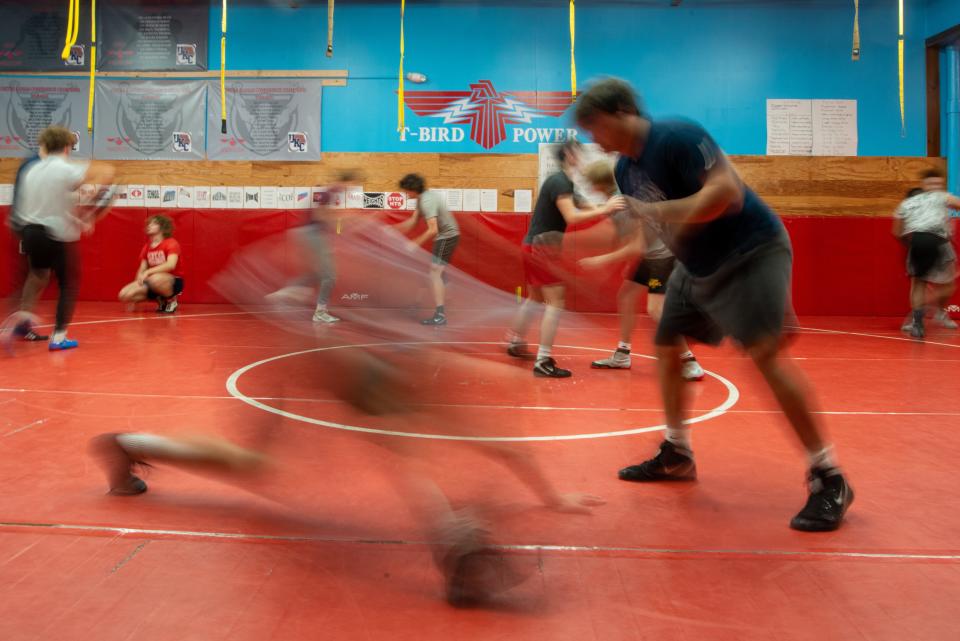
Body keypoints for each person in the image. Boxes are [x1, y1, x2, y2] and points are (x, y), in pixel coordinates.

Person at [575, 78, 852, 531]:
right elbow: (656, 231)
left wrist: (655, 216)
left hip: (752, 250)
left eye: (594, 124)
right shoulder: (626, 171)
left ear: (623, 110)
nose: (592, 137)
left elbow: (725, 196)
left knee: (764, 354)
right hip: (698, 263)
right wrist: (604, 253)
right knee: (666, 343)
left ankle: (829, 475)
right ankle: (676, 452)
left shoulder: (677, 136)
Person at [506, 142, 623, 378]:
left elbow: (588, 206)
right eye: (579, 153)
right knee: (555, 302)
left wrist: (609, 208)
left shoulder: (562, 182)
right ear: (569, 154)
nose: (582, 158)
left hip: (534, 245)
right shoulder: (560, 181)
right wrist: (605, 209)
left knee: (535, 297)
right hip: (541, 248)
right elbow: (572, 216)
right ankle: (543, 360)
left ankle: (515, 340)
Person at [578, 160, 704, 380]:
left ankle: (689, 360)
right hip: (650, 256)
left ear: (598, 185)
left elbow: (636, 245)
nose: (589, 188)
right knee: (626, 296)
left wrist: (601, 260)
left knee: (656, 310)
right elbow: (635, 240)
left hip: (661, 259)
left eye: (590, 183)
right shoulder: (615, 203)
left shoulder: (623, 206)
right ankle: (622, 354)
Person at [14, 126, 114, 350]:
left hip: (31, 232)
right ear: (68, 146)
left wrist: (78, 213)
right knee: (69, 284)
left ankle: (23, 316)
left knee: (38, 275)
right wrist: (90, 208)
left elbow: (47, 203)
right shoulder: (64, 168)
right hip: (56, 234)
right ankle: (59, 336)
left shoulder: (32, 170)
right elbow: (106, 172)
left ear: (45, 146)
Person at [266, 171, 360, 323]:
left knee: (317, 274)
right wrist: (341, 218)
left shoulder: (328, 192)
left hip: (307, 233)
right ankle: (320, 312)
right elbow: (319, 216)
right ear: (347, 182)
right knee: (329, 275)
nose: (351, 188)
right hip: (312, 233)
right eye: (352, 185)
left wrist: (340, 219)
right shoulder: (331, 191)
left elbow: (320, 215)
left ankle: (285, 293)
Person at [893, 169, 960, 338]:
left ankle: (925, 316)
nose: (935, 187)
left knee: (935, 284)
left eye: (938, 184)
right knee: (921, 284)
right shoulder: (940, 196)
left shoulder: (906, 203)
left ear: (942, 185)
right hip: (932, 241)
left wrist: (909, 244)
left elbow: (896, 232)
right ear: (923, 185)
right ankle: (922, 316)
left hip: (926, 241)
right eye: (932, 184)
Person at [397, 173, 461, 326]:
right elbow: (412, 222)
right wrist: (392, 229)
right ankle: (438, 304)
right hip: (444, 236)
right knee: (438, 274)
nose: (405, 194)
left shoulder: (427, 200)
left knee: (434, 272)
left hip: (447, 237)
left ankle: (440, 314)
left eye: (406, 191)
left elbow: (433, 229)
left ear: (412, 189)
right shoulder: (421, 199)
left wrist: (415, 243)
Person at [5, 147, 46, 342]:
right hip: (29, 225)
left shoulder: (32, 163)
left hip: (26, 224)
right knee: (37, 274)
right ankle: (20, 322)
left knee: (32, 275)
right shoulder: (35, 165)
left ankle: (20, 319)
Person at [118, 215, 184, 313]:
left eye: (154, 223)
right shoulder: (147, 246)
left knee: (154, 278)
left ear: (162, 227)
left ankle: (171, 300)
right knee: (123, 295)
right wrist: (138, 284)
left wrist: (149, 272)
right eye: (149, 224)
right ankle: (161, 299)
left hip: (173, 281)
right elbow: (142, 268)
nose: (149, 225)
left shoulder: (171, 243)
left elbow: (170, 265)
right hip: (152, 281)